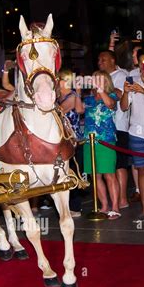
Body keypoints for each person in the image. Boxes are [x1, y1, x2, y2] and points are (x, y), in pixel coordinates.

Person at [120, 48, 144, 222]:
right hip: (138, 133)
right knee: (143, 171)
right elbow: (124, 107)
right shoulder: (131, 79)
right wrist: (127, 92)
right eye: (141, 61)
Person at [83, 71, 120, 219]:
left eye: (99, 79)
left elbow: (110, 105)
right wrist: (77, 91)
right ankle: (104, 206)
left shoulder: (112, 95)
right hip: (88, 140)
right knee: (95, 176)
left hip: (106, 140)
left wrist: (100, 89)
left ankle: (116, 207)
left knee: (109, 175)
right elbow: (79, 109)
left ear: (106, 82)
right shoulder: (89, 99)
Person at [98, 50, 130, 209]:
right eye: (98, 60)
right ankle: (113, 199)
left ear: (112, 60)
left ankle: (123, 199)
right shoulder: (101, 77)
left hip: (119, 126)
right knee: (109, 166)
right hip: (105, 130)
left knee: (120, 164)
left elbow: (119, 95)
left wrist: (103, 90)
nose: (100, 62)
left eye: (103, 59)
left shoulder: (121, 75)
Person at [57, 69, 85, 217]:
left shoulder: (72, 96)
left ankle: (75, 207)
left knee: (72, 171)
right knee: (63, 172)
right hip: (62, 140)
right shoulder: (58, 95)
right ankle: (65, 206)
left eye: (58, 79)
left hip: (72, 141)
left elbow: (58, 111)